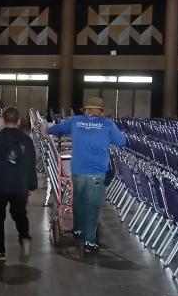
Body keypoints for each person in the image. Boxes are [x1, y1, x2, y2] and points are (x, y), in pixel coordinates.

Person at [48, 97, 127, 253]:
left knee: (78, 200)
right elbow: (122, 142)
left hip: (77, 169)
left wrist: (49, 131)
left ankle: (78, 229)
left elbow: (55, 129)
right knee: (92, 206)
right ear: (101, 112)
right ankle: (89, 241)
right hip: (96, 172)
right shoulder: (108, 125)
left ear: (86, 110)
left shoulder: (75, 121)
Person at [0, 108, 38, 262]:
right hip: (19, 184)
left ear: (3, 121)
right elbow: (31, 164)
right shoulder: (27, 141)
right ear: (18, 121)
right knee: (19, 214)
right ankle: (24, 236)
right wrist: (31, 185)